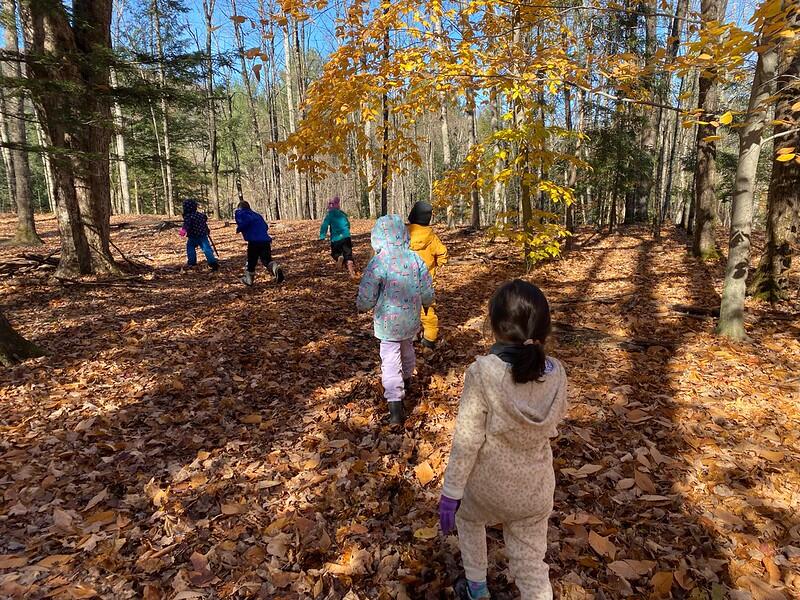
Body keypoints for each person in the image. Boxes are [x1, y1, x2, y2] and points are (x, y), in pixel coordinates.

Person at [439, 280, 567, 600]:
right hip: (534, 490)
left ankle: (477, 590)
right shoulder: (557, 373)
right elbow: (554, 424)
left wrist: (452, 491)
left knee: (468, 518)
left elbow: (467, 439)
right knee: (531, 561)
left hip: (487, 487)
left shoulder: (483, 372)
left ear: (494, 326)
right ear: (545, 328)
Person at [356, 215, 434, 426]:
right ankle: (407, 380)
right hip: (410, 319)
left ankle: (395, 406)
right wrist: (428, 301)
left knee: (390, 360)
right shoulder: (414, 258)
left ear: (378, 237)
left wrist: (362, 305)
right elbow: (426, 285)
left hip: (388, 323)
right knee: (407, 348)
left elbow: (368, 289)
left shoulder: (379, 261)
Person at [407, 201, 448, 350]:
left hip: (405, 281)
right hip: (426, 282)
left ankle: (411, 334)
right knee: (427, 310)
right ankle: (429, 338)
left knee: (408, 308)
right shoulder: (432, 237)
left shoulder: (405, 233)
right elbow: (442, 253)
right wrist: (440, 263)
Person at [234, 200, 285, 286]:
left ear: (240, 207)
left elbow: (245, 222)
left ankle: (248, 280)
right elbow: (265, 226)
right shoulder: (257, 215)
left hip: (254, 242)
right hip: (265, 241)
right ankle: (275, 268)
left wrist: (239, 228)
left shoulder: (240, 213)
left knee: (251, 261)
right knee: (267, 260)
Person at [319, 196, 356, 278]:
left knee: (334, 253)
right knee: (348, 255)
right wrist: (347, 232)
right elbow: (348, 224)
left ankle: (339, 257)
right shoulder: (342, 214)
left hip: (335, 239)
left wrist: (322, 236)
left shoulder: (329, 215)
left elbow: (324, 225)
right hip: (346, 238)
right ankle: (352, 273)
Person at [181, 199, 218, 271]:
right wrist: (207, 230)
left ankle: (192, 262)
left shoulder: (188, 217)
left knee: (190, 248)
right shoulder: (201, 215)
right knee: (207, 249)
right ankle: (212, 262)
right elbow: (204, 224)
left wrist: (182, 233)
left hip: (192, 237)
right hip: (202, 236)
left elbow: (186, 226)